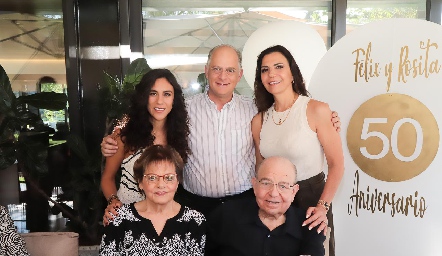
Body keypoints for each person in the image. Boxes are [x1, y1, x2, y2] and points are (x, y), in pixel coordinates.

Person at [101, 44, 341, 217]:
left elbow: (290, 117)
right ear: (206, 71)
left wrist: (329, 121)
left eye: (229, 70)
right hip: (194, 204)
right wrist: (117, 131)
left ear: (240, 75)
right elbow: (152, 109)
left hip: (244, 203)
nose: (222, 76)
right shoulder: (185, 108)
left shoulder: (256, 110)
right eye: (216, 69)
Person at [251, 44, 344, 256]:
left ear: (292, 72)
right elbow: (260, 169)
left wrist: (322, 207)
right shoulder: (259, 120)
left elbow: (337, 164)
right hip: (273, 202)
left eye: (278, 66)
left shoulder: (316, 109)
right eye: (264, 70)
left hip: (311, 201)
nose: (271, 74)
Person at [101, 68, 190, 221]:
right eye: (153, 93)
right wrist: (113, 201)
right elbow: (107, 178)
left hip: (166, 219)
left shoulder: (180, 136)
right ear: (143, 96)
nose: (160, 101)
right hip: (128, 218)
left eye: (167, 94)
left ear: (174, 100)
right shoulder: (124, 136)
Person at [206, 156, 325, 256]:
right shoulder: (226, 214)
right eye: (266, 183)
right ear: (254, 185)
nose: (273, 193)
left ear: (294, 191)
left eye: (283, 186)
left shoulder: (310, 224)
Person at [99, 145, 206, 255]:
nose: (161, 185)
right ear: (140, 182)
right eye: (152, 178)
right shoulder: (118, 219)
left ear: (177, 181)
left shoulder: (194, 221)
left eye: (169, 177)